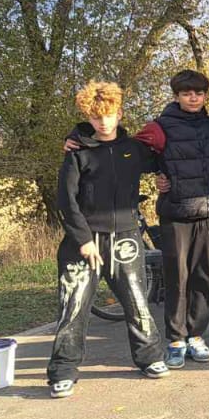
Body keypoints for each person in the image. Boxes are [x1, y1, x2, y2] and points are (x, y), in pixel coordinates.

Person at [47, 81, 166, 397]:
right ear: (89, 117)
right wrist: (83, 239)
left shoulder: (134, 149)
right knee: (73, 307)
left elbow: (164, 159)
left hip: (125, 239)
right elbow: (66, 201)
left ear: (119, 114)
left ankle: (151, 358)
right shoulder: (77, 153)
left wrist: (163, 178)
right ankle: (63, 371)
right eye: (96, 117)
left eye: (109, 115)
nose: (103, 122)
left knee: (137, 302)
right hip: (82, 244)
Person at [135, 69, 209, 368]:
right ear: (176, 96)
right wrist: (158, 173)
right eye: (187, 93)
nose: (193, 98)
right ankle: (176, 340)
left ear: (205, 96)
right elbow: (130, 152)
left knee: (203, 276)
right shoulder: (160, 127)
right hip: (176, 211)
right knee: (178, 277)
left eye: (199, 93)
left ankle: (196, 336)